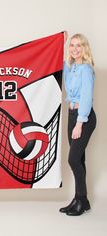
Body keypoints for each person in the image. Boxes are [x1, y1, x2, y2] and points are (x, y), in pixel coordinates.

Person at [60, 32, 96, 216]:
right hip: (72, 114)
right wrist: (60, 40)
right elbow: (54, 59)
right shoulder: (70, 66)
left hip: (84, 117)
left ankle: (80, 200)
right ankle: (81, 200)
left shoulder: (86, 69)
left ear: (85, 48)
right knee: (79, 159)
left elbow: (87, 99)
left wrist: (79, 123)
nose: (74, 49)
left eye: (78, 45)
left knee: (73, 159)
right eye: (72, 45)